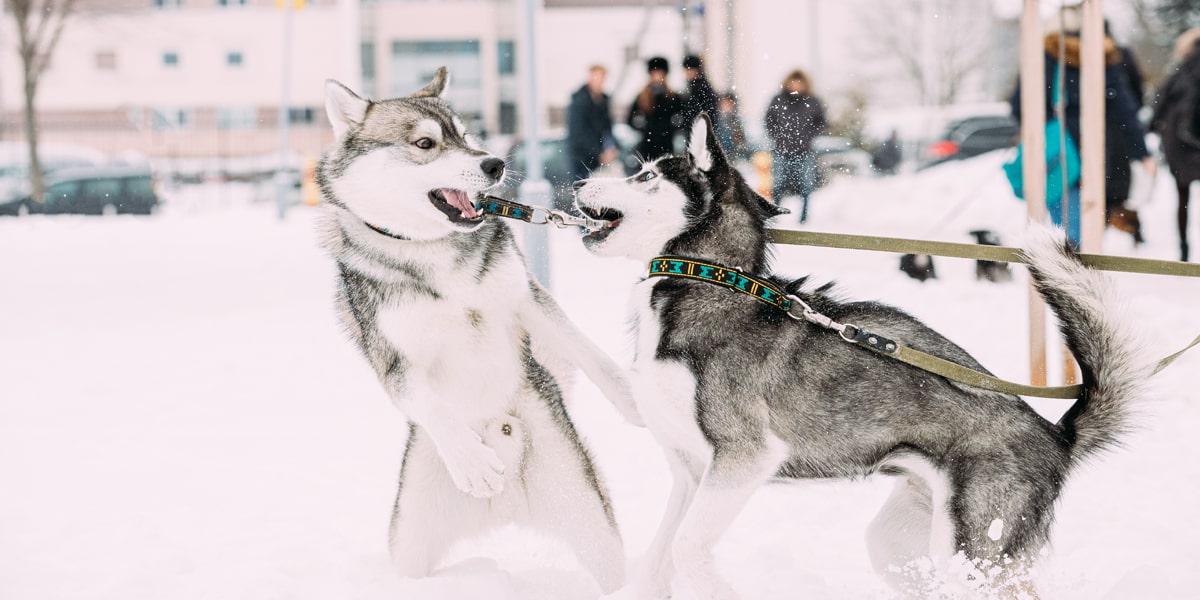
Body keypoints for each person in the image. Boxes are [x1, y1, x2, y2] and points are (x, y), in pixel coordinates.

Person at [1008, 6, 1154, 248]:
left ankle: (1069, 264)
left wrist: (1045, 121)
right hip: (1095, 150)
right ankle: (1080, 264)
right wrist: (1142, 152)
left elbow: (1018, 105)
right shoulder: (1103, 55)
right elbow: (1126, 109)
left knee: (1064, 225)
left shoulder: (1045, 56)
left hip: (1055, 152)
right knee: (1090, 224)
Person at [1150, 27, 1200, 261]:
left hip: (1179, 142)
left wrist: (1152, 125)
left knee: (1183, 197)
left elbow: (1159, 101)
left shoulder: (1181, 70)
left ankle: (1184, 248)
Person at [764, 69, 827, 223]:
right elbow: (768, 121)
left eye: (799, 82)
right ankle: (775, 214)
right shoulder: (778, 100)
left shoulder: (812, 101)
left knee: (806, 186)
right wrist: (778, 137)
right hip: (781, 150)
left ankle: (804, 217)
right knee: (778, 185)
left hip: (804, 151)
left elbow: (821, 122)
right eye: (793, 82)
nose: (796, 85)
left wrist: (808, 136)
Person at [627, 56, 684, 167]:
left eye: (660, 73)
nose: (657, 77)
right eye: (654, 73)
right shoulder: (641, 97)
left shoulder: (673, 96)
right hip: (647, 145)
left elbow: (682, 118)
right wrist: (644, 129)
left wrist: (671, 128)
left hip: (666, 144)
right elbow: (630, 119)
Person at [566, 64, 619, 183]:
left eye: (602, 79)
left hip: (598, 159)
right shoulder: (579, 101)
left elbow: (607, 128)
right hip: (582, 158)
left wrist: (612, 148)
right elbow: (578, 133)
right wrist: (599, 153)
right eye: (597, 78)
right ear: (590, 78)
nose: (599, 82)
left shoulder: (603, 100)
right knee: (582, 189)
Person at [681, 54, 719, 125]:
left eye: (690, 69)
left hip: (700, 129)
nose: (687, 72)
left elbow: (704, 112)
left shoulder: (700, 87)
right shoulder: (695, 86)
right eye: (686, 69)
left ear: (697, 70)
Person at [713, 93, 748, 161]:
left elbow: (741, 142)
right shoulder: (715, 121)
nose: (725, 107)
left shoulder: (735, 123)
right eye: (724, 104)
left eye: (728, 105)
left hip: (732, 157)